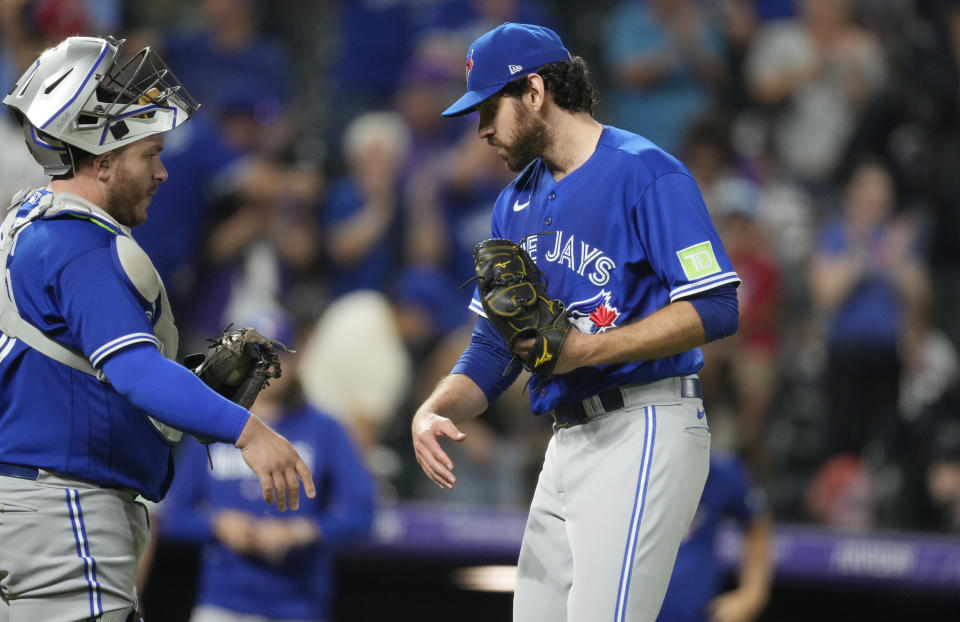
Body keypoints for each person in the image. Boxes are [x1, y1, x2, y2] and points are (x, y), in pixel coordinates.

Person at [411, 23, 741, 622]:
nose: (481, 129)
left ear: (535, 91)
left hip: (645, 422)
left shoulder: (647, 172)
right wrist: (436, 408)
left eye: (489, 108)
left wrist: (590, 350)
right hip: (567, 438)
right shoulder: (513, 202)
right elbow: (493, 346)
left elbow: (717, 306)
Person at [0, 36, 314, 622]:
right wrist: (248, 431)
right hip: (63, 508)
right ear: (101, 160)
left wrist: (185, 387)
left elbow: (76, 373)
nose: (163, 172)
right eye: (149, 155)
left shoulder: (29, 221)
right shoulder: (82, 246)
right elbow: (135, 372)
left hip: (27, 502)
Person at [158, 320, 376, 622]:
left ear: (295, 360)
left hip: (297, 604)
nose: (265, 365)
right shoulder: (211, 424)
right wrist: (217, 525)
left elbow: (363, 512)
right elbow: (173, 515)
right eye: (252, 355)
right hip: (223, 602)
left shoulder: (325, 428)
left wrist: (301, 531)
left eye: (274, 354)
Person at [657, 453, 773, 622]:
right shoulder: (630, 467)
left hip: (696, 612)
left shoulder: (718, 471)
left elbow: (757, 526)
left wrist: (752, 593)